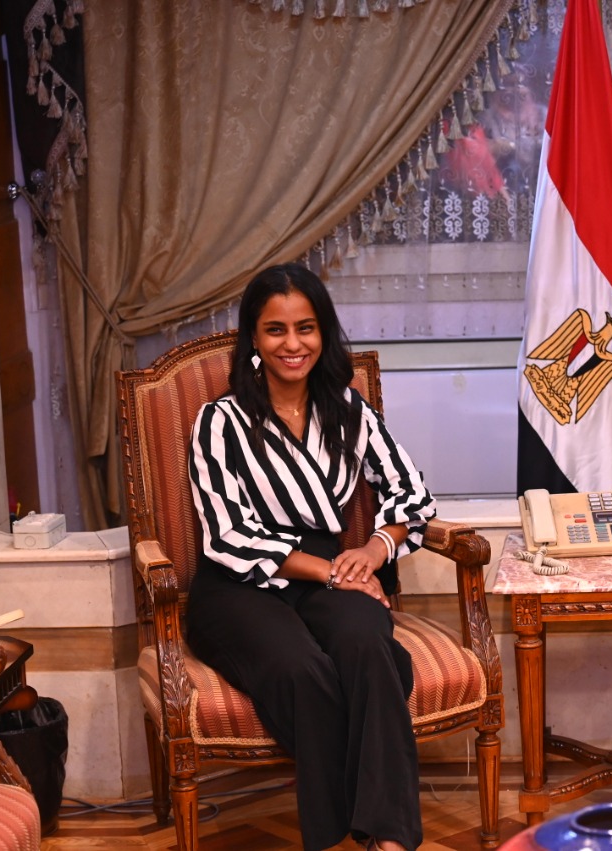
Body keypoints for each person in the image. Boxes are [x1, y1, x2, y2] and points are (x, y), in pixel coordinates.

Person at [186, 263, 436, 851]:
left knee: (368, 645)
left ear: (323, 332)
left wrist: (372, 552)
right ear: (253, 337)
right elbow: (227, 534)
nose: (292, 344)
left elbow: (411, 494)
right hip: (239, 584)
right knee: (303, 670)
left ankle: (390, 839)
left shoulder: (349, 410)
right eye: (275, 330)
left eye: (306, 327)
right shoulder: (220, 422)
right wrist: (333, 572)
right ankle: (333, 837)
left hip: (330, 571)